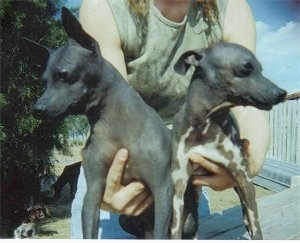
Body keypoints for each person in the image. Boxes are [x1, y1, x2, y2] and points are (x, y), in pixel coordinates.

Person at [71, 0, 271, 239]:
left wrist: (247, 162)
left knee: (185, 228)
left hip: (185, 178)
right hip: (123, 178)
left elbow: (246, 104)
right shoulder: (104, 6)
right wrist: (105, 189)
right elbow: (115, 114)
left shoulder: (230, 8)